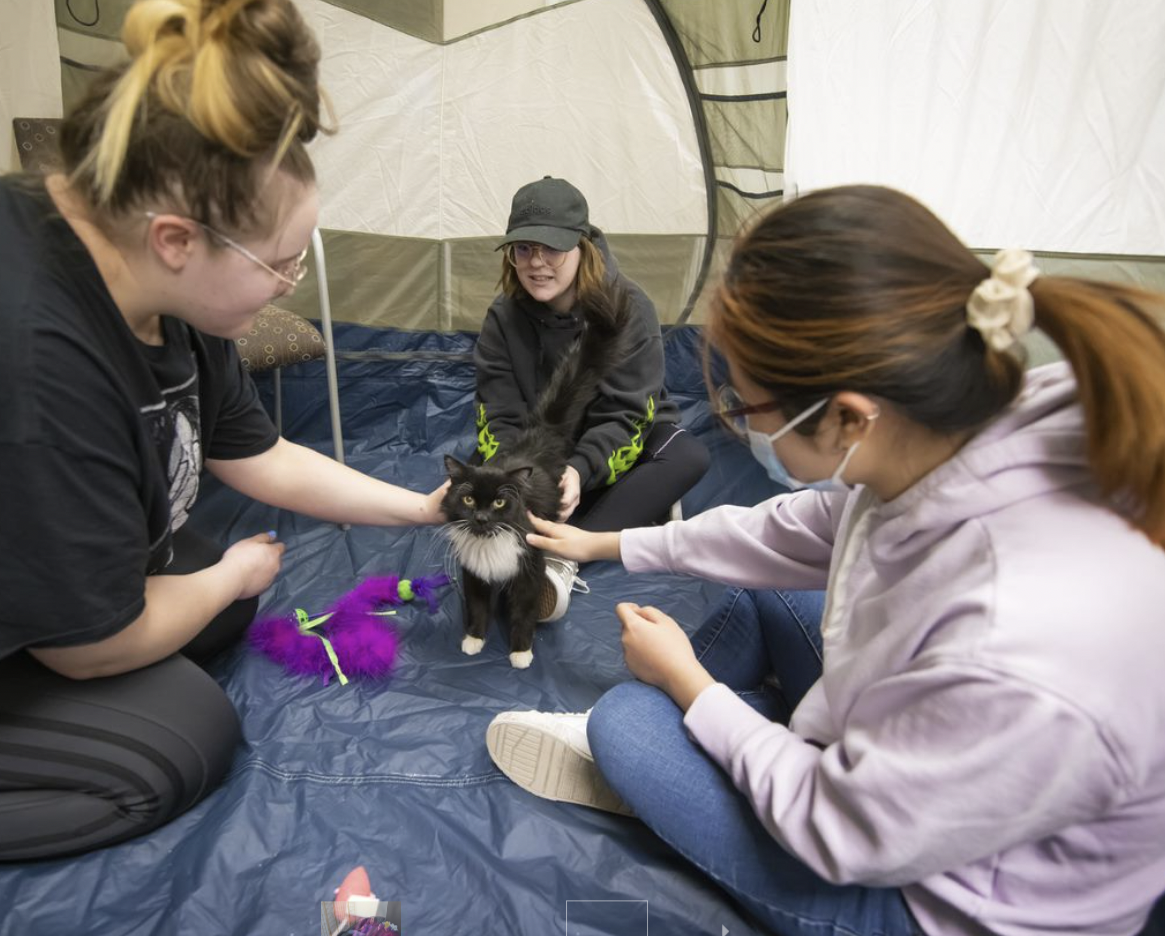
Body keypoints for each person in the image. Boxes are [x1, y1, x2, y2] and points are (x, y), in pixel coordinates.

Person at [485, 185, 1165, 935]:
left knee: (625, 725)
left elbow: (838, 827)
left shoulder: (1016, 643)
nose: (740, 428)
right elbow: (803, 528)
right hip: (941, 759)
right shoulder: (960, 423)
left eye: (746, 408)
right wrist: (606, 543)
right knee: (764, 593)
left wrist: (691, 684)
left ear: (847, 415)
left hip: (929, 891)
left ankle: (673, 749)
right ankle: (728, 740)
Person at [0, 0, 446, 862]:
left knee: (209, 596)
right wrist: (227, 577)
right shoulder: (29, 355)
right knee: (178, 746)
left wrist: (418, 510)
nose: (290, 283)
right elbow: (88, 652)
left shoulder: (151, 275)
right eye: (280, 263)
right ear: (178, 239)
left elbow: (255, 451)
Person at [473, 176, 710, 622]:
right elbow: (497, 413)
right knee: (477, 477)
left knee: (688, 455)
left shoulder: (629, 307)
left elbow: (628, 414)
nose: (537, 263)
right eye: (523, 249)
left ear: (583, 247)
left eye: (552, 249)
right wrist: (517, 480)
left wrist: (581, 471)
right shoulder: (503, 317)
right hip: (539, 448)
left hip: (614, 443)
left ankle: (562, 558)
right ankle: (602, 519)